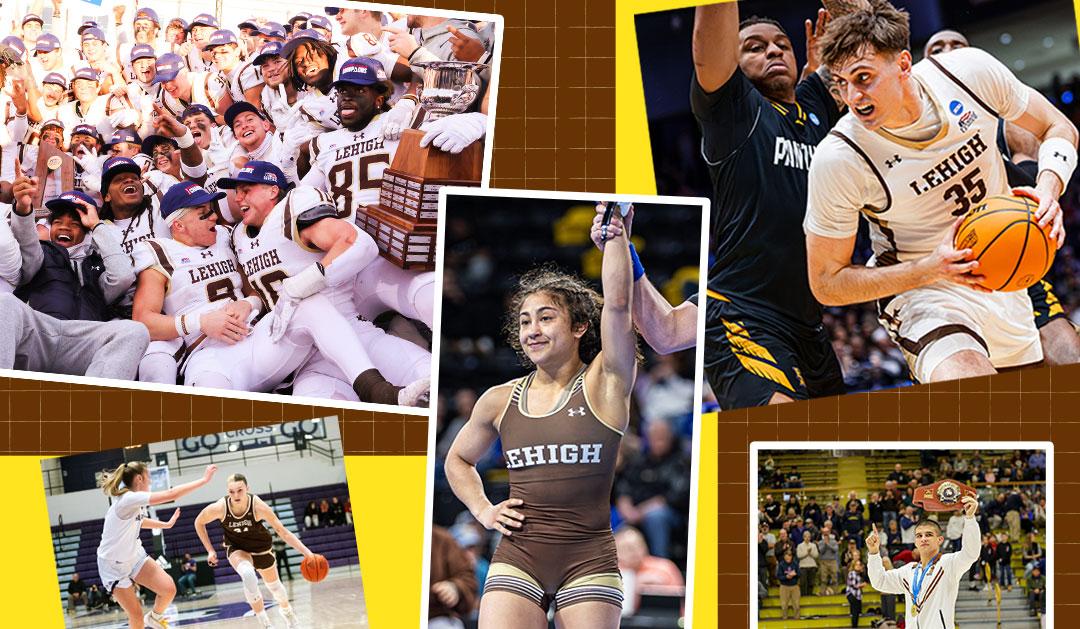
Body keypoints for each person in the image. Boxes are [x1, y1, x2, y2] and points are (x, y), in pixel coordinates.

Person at [805, 0, 1078, 383]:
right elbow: (826, 283)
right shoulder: (839, 158)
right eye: (840, 83)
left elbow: (1058, 127)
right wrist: (928, 268)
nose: (853, 97)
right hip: (924, 292)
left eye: (863, 78)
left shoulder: (969, 73)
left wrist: (1049, 187)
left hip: (1000, 272)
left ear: (903, 65)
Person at [444, 207, 638, 628]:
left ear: (581, 327)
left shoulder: (605, 383)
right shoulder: (498, 399)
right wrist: (482, 509)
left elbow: (620, 308)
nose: (533, 329)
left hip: (589, 558)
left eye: (547, 318)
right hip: (519, 557)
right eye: (526, 321)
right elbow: (457, 460)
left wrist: (617, 237)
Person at [692, 3, 846, 408]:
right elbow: (709, 49)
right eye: (754, 48)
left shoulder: (814, 106)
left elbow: (846, 56)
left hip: (809, 325)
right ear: (734, 63)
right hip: (743, 313)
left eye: (782, 45)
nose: (774, 51)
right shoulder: (735, 111)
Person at [96, 462, 217, 629]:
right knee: (136, 615)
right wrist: (204, 480)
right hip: (112, 564)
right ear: (139, 478)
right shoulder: (128, 499)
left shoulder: (133, 502)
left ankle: (154, 618)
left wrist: (165, 525)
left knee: (168, 589)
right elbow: (171, 494)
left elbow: (138, 521)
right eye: (148, 478)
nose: (150, 483)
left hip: (134, 555)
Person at [194, 472, 315, 629]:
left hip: (261, 548)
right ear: (227, 491)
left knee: (275, 587)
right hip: (237, 548)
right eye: (231, 491)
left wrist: (307, 553)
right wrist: (209, 550)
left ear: (247, 488)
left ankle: (287, 612)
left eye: (240, 490)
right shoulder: (220, 508)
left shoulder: (258, 507)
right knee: (248, 574)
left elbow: (283, 532)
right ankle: (265, 623)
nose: (236, 495)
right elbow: (198, 522)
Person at [865, 496, 980, 624]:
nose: (923, 539)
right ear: (915, 542)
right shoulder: (908, 571)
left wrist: (970, 519)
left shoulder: (949, 564)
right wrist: (874, 553)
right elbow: (879, 582)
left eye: (929, 535)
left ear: (940, 540)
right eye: (919, 536)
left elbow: (971, 553)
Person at [429, 525, 478, 629]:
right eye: (468, 548)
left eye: (472, 548)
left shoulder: (441, 539)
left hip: (435, 617)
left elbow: (467, 577)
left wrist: (455, 587)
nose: (470, 553)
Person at [777, 548, 800, 620]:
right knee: (784, 605)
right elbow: (778, 576)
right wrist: (786, 577)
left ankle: (797, 618)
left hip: (794, 586)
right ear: (784, 557)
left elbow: (799, 574)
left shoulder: (795, 564)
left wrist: (795, 574)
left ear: (791, 556)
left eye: (789, 556)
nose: (788, 557)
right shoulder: (781, 565)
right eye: (786, 556)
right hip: (784, 586)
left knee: (796, 604)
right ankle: (784, 618)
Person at [796, 530, 818, 596]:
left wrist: (810, 552)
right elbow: (799, 556)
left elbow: (816, 555)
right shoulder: (800, 546)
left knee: (811, 582)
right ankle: (803, 594)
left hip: (812, 565)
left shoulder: (813, 545)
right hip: (803, 566)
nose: (807, 538)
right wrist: (806, 553)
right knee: (803, 582)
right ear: (803, 537)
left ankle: (810, 594)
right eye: (806, 537)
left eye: (809, 537)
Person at [845, 558, 866, 627]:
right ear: (853, 566)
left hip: (856, 595)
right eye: (856, 565)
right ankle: (854, 626)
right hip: (852, 594)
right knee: (855, 613)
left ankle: (855, 626)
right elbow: (854, 585)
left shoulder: (858, 574)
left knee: (856, 613)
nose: (858, 566)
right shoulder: (852, 573)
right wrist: (861, 585)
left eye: (859, 565)